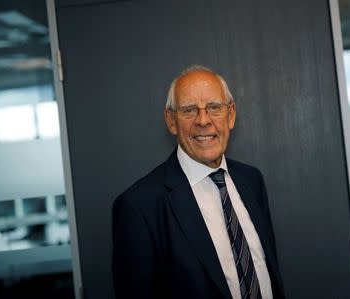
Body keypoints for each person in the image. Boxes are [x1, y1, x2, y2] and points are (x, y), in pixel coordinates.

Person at [112, 65, 284, 299]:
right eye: (189, 110)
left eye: (214, 107)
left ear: (230, 114)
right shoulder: (139, 206)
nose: (203, 121)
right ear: (171, 121)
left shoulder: (251, 180)